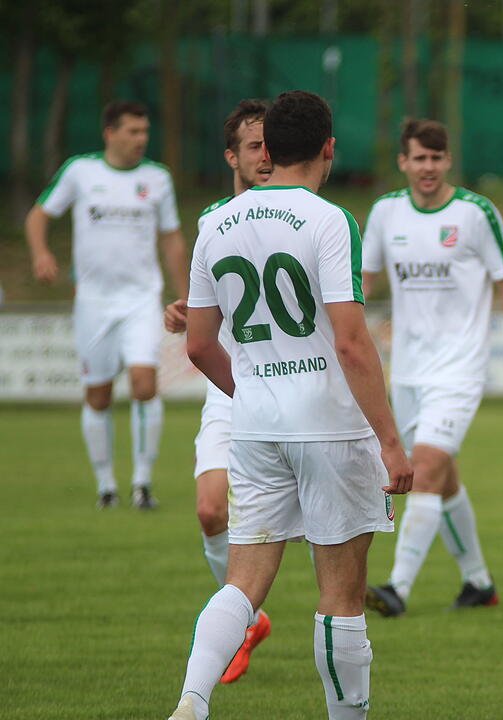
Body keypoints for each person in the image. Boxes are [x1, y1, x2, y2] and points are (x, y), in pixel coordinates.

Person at [167, 90, 412, 720]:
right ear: (330, 147)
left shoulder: (214, 222)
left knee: (243, 583)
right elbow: (352, 344)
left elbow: (197, 344)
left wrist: (251, 392)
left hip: (253, 428)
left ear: (267, 150)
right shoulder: (331, 220)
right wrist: (389, 438)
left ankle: (192, 703)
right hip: (330, 426)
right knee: (341, 594)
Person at [360, 118, 503, 617]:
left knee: (427, 469)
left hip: (460, 368)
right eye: (419, 158)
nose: (428, 167)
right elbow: (363, 282)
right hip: (409, 371)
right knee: (444, 476)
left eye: (437, 158)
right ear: (404, 162)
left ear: (448, 160)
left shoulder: (476, 213)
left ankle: (397, 588)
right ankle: (478, 583)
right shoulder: (386, 213)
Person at [25, 100, 188, 510]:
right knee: (97, 396)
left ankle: (142, 483)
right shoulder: (81, 171)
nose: (141, 139)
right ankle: (106, 487)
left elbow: (171, 237)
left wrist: (186, 292)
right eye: (133, 131)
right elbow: (38, 215)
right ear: (109, 133)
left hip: (140, 298)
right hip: (94, 302)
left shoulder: (157, 178)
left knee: (144, 384)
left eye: (145, 131)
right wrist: (41, 253)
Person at [163, 99, 274, 684]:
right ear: (232, 155)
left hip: (290, 386)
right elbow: (207, 306)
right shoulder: (214, 222)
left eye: (272, 144)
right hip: (229, 387)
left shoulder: (300, 213)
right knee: (210, 510)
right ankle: (247, 616)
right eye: (254, 146)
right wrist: (185, 313)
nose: (265, 156)